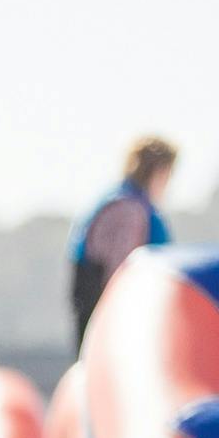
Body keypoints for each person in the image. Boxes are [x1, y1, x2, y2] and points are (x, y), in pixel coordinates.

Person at [69, 136, 178, 342]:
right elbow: (118, 270)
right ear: (157, 172)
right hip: (112, 315)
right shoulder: (128, 209)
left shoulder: (128, 201)